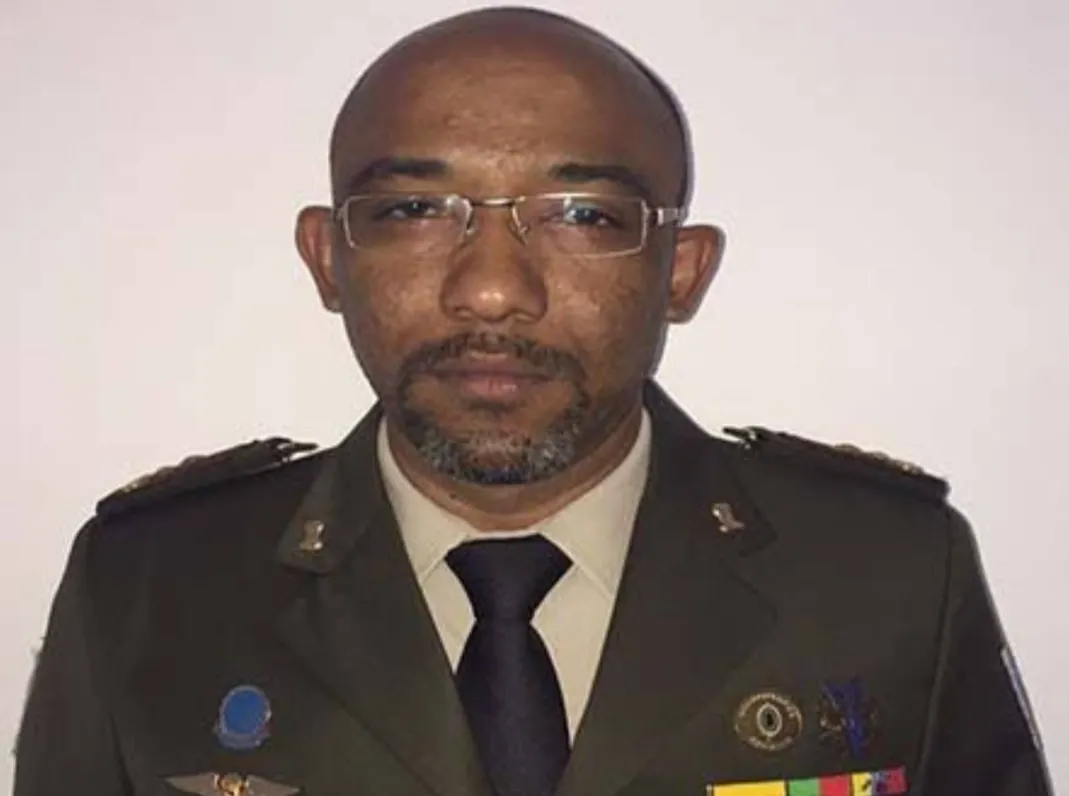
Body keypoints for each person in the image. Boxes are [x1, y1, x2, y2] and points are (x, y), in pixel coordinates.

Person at [15, 7, 1052, 796]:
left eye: (582, 214)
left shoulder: (890, 578)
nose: (491, 290)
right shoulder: (149, 591)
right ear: (329, 259)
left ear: (680, 270)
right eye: (414, 209)